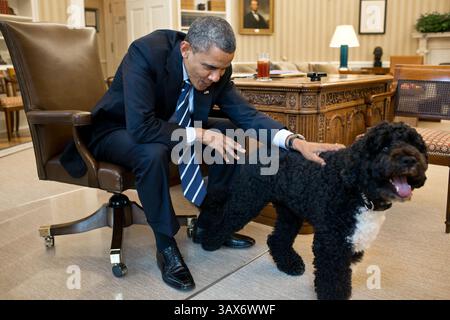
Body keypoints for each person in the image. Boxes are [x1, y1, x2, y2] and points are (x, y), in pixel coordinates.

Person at [60, 16, 343, 291]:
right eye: (209, 67)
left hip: (169, 127)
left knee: (231, 131)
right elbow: (141, 127)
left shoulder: (218, 71)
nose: (215, 77)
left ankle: (210, 226)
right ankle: (166, 247)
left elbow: (247, 116)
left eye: (222, 69)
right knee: (153, 152)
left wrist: (295, 142)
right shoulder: (146, 52)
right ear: (186, 50)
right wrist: (202, 134)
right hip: (116, 130)